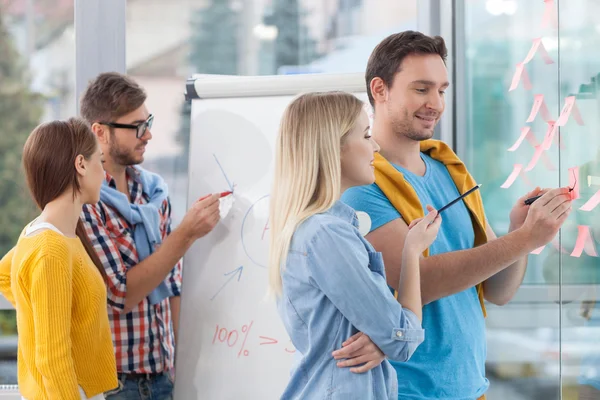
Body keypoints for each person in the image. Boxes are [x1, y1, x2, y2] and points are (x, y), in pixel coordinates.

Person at [341, 31, 573, 400]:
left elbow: (497, 291)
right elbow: (419, 282)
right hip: (406, 392)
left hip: (468, 388)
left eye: (442, 90)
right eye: (421, 89)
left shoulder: (450, 171)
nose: (435, 103)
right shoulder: (360, 184)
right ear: (380, 89)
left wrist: (518, 232)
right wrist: (525, 239)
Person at [268, 91, 442, 399]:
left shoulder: (311, 229)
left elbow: (380, 332)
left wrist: (382, 338)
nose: (375, 146)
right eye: (365, 135)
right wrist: (412, 251)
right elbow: (401, 339)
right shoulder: (328, 235)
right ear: (332, 147)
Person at [78, 72, 220, 399]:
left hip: (162, 376)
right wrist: (184, 236)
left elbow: (171, 284)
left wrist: (181, 363)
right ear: (100, 132)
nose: (149, 134)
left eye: (149, 121)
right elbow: (120, 294)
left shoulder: (152, 191)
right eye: (137, 126)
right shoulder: (84, 201)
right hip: (114, 383)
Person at [0, 118, 117, 399]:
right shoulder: (49, 247)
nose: (104, 173)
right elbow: (53, 360)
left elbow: (5, 276)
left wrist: (43, 312)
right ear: (80, 165)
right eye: (99, 161)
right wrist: (41, 317)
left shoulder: (47, 234)